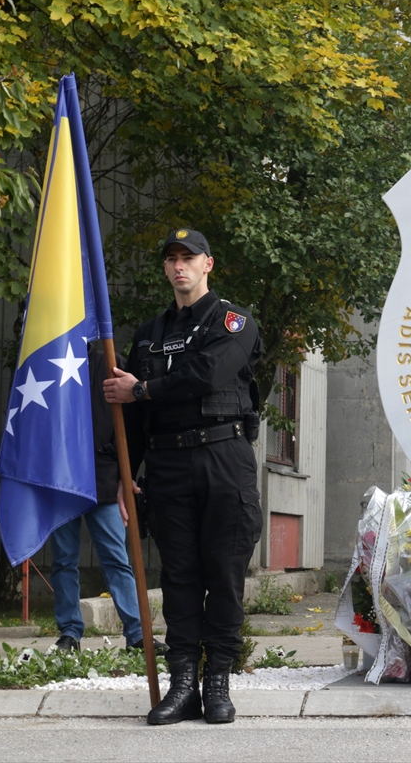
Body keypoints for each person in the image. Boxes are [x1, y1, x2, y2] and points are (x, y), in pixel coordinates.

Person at [104, 228, 263, 726]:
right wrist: (124, 473)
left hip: (223, 457)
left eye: (188, 258)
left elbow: (207, 374)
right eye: (171, 258)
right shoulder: (148, 334)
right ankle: (182, 686)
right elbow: (131, 416)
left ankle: (217, 684)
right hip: (168, 465)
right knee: (178, 579)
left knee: (225, 575)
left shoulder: (234, 321)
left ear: (207, 264)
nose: (179, 266)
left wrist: (142, 389)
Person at [50, 343, 166, 655]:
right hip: (61, 477)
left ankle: (137, 635)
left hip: (104, 476)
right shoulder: (47, 361)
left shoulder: (111, 363)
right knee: (63, 560)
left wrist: (123, 472)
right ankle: (69, 634)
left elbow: (132, 421)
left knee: (117, 559)